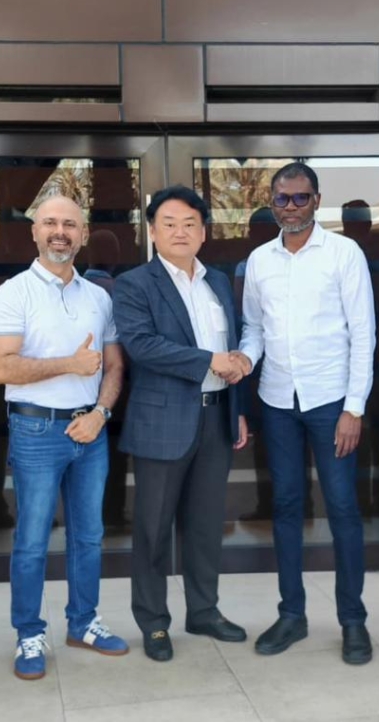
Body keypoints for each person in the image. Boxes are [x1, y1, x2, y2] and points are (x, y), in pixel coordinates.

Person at [0, 195, 128, 680]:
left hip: (90, 429)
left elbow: (114, 365)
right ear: (34, 232)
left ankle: (83, 623)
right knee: (32, 540)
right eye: (50, 222)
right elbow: (1, 368)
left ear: (83, 234)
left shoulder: (99, 298)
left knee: (89, 535)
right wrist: (70, 364)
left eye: (70, 224)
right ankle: (29, 633)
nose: (60, 231)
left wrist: (101, 414)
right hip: (35, 430)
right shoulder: (12, 294)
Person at [239, 162, 376, 666]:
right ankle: (291, 615)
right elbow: (254, 330)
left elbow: (363, 333)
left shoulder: (344, 253)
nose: (291, 207)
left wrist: (354, 408)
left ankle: (353, 621)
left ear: (317, 200)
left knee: (342, 509)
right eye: (282, 198)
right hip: (277, 401)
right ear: (272, 202)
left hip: (331, 402)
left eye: (300, 198)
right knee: (286, 507)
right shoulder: (259, 261)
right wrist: (242, 361)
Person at [112, 185, 249, 663]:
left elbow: (232, 348)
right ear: (152, 232)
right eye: (168, 223)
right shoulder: (134, 284)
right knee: (153, 528)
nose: (180, 232)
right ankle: (153, 622)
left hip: (216, 418)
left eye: (190, 224)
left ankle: (204, 610)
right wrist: (210, 361)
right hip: (162, 423)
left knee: (206, 525)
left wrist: (237, 407)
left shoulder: (218, 282)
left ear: (203, 233)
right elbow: (142, 345)